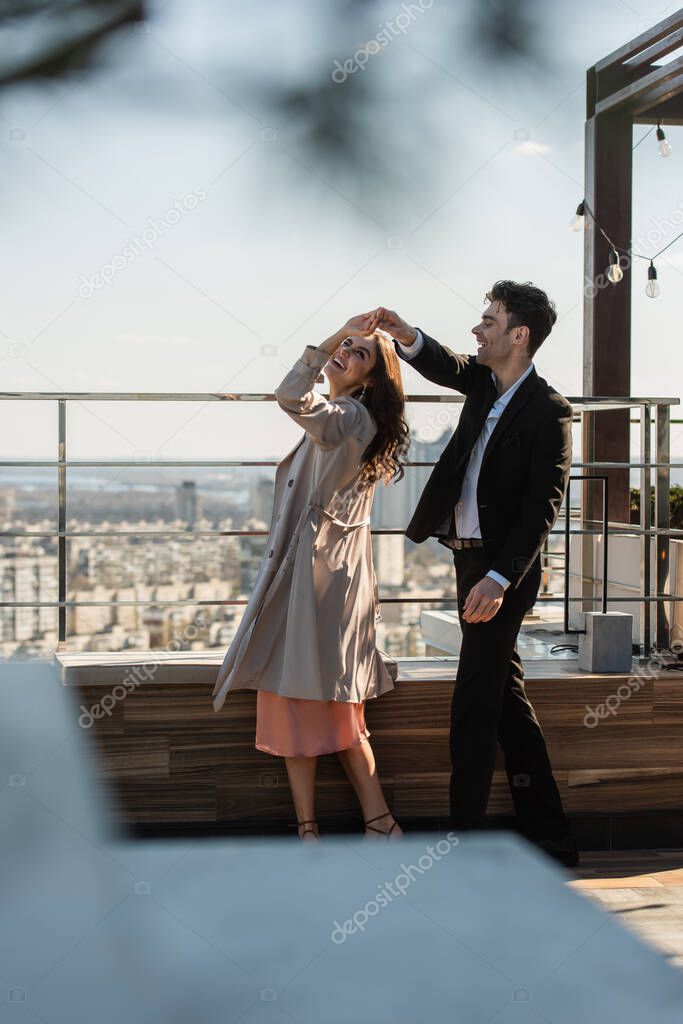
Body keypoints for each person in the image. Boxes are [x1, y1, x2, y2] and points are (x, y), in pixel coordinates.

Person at [367, 282, 579, 867]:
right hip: (467, 559)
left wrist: (500, 579)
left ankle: (464, 841)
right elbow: (445, 363)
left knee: (474, 702)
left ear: (520, 335)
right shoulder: (483, 382)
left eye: (489, 321)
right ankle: (550, 836)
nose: (477, 329)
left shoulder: (550, 411)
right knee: (502, 693)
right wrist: (403, 333)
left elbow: (544, 505)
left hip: (502, 572)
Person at [212, 315, 410, 842]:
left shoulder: (349, 417)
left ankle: (374, 822)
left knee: (334, 706)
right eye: (344, 346)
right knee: (291, 701)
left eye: (359, 353)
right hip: (313, 576)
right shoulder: (349, 417)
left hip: (322, 584)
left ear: (371, 380)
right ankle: (315, 828)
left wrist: (325, 344)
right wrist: (340, 344)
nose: (344, 352)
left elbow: (291, 395)